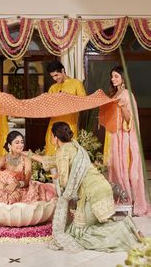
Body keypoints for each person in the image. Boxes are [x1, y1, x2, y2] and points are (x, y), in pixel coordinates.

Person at [22, 122, 142, 253]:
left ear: (56, 137)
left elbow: (64, 179)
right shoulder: (74, 146)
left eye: (51, 136)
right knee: (87, 226)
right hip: (101, 186)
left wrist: (58, 179)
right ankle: (128, 227)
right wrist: (28, 155)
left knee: (80, 234)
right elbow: (50, 161)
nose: (51, 138)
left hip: (92, 193)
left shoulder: (63, 151)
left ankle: (124, 231)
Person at [103, 66, 151, 216]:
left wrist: (123, 107)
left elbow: (131, 119)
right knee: (114, 167)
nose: (113, 79)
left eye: (116, 76)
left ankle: (128, 199)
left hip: (123, 137)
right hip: (112, 135)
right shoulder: (113, 94)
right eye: (112, 77)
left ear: (123, 78)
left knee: (124, 167)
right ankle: (117, 198)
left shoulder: (127, 95)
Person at [0, 130, 56, 204]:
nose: (21, 145)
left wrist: (17, 184)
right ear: (10, 145)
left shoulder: (26, 158)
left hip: (21, 188)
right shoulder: (3, 160)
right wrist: (7, 187)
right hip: (2, 188)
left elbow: (26, 181)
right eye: (17, 142)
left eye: (22, 142)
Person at [45, 60, 86, 155]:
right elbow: (48, 107)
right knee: (52, 151)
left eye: (56, 75)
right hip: (54, 124)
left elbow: (83, 103)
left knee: (69, 152)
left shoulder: (76, 83)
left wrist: (67, 98)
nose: (55, 78)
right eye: (52, 76)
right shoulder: (52, 88)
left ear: (63, 70)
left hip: (69, 124)